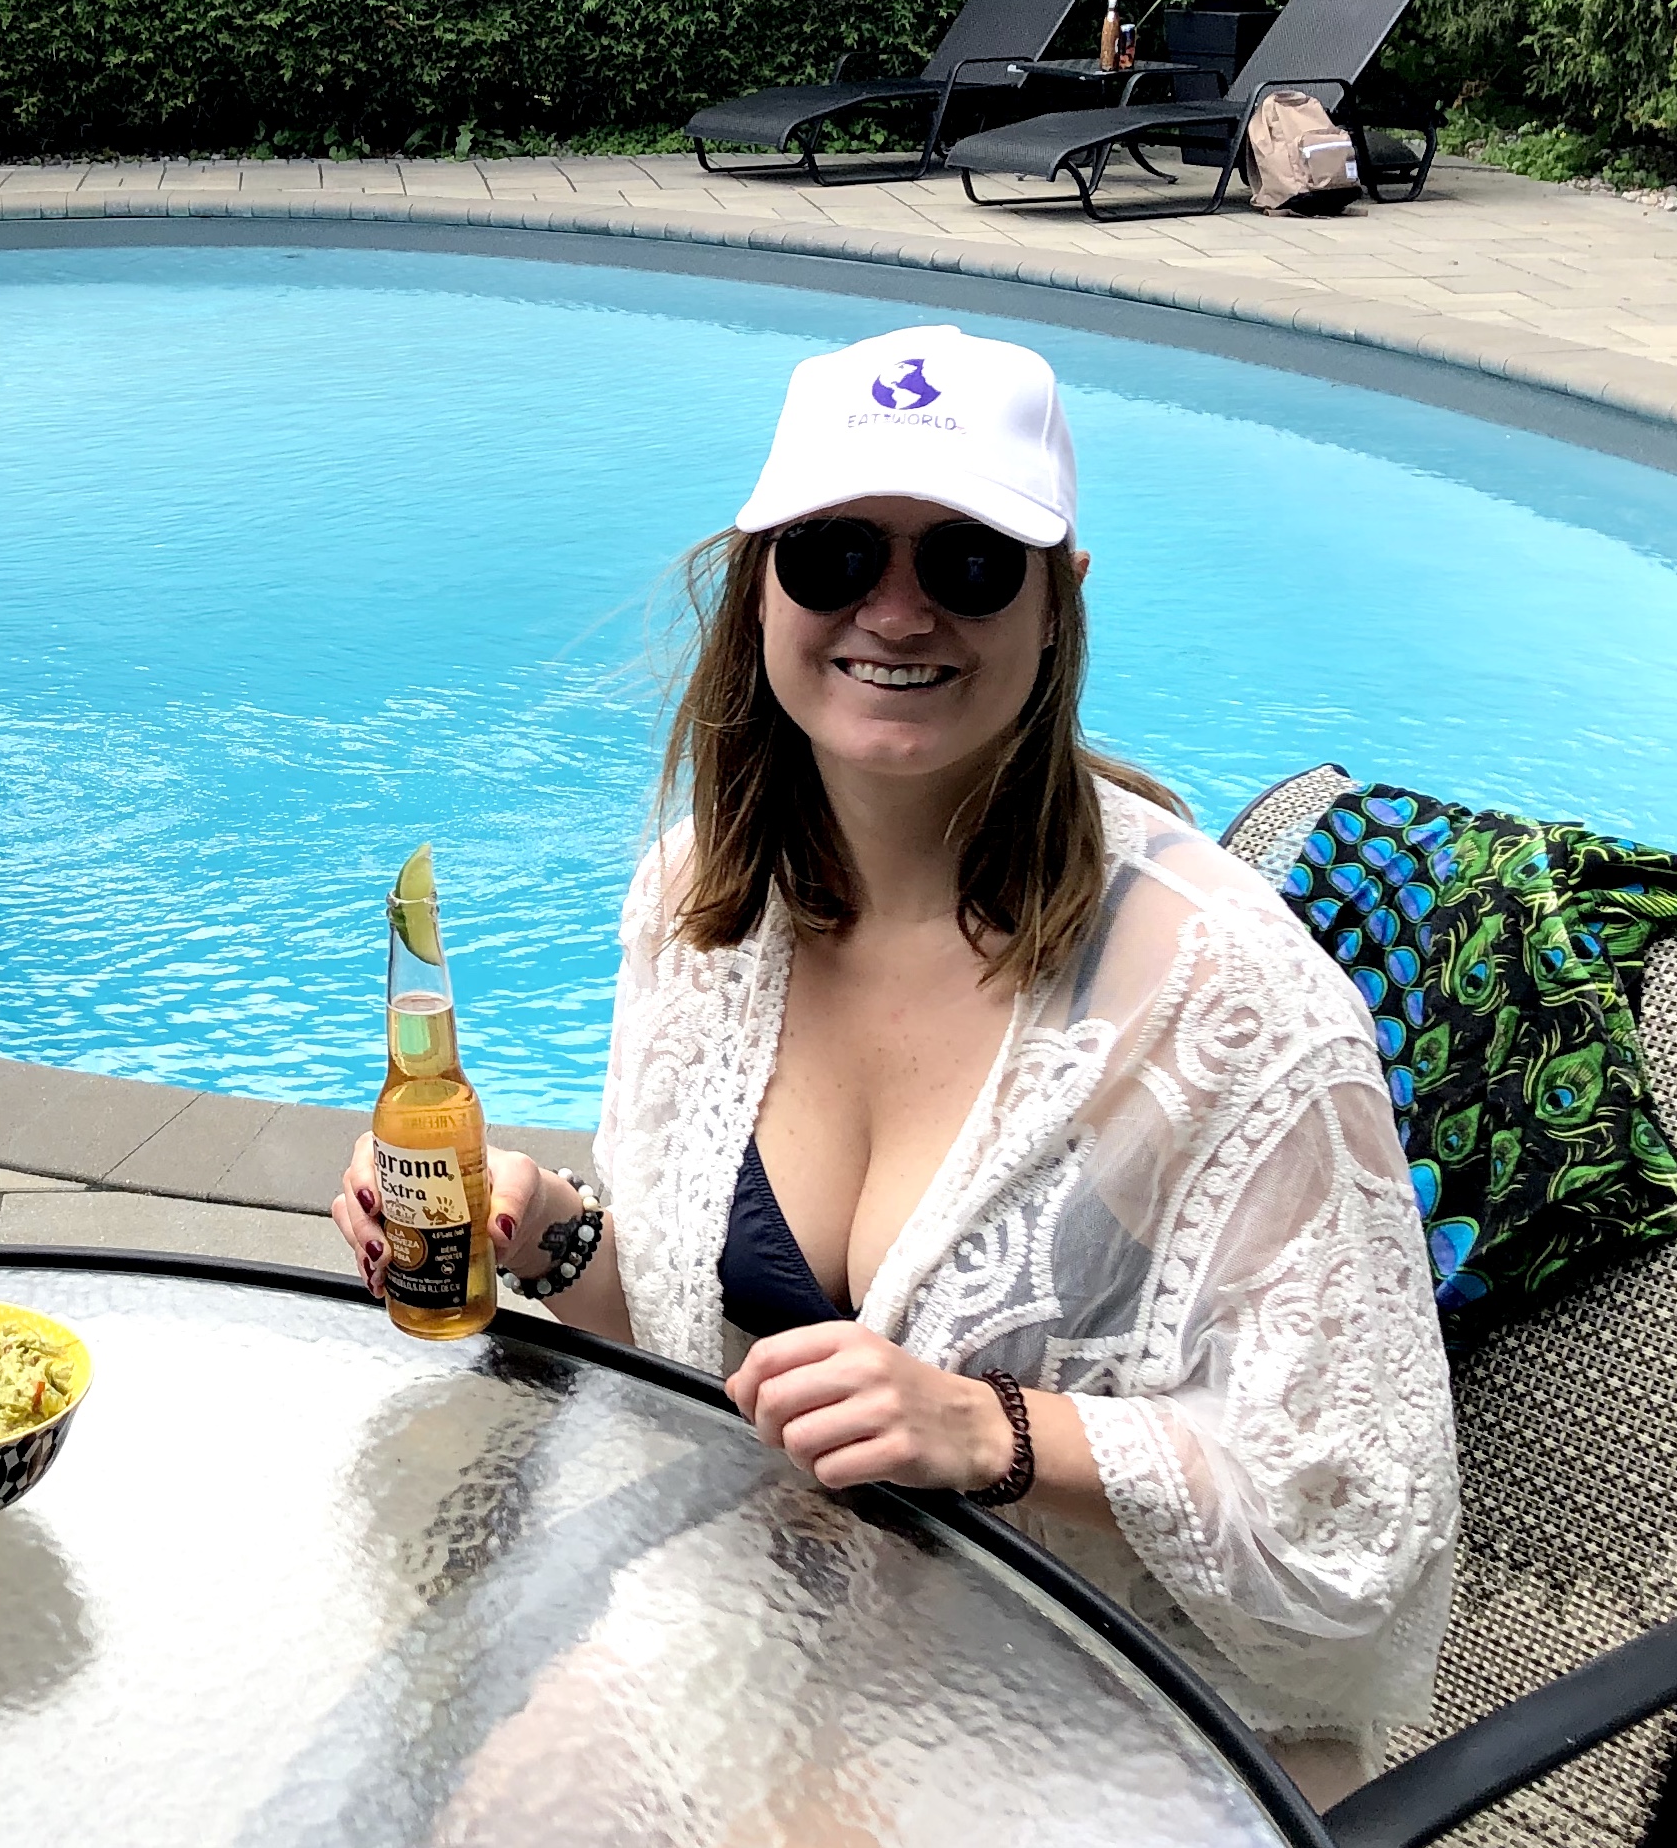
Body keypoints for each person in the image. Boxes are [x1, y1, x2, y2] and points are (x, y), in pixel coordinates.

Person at [333, 323, 1458, 1794]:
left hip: (1105, 1704)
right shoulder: (703, 906)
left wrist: (989, 1429)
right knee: (421, 1775)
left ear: (1057, 602)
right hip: (775, 1625)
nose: (896, 610)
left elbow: (1353, 1523)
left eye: (969, 562)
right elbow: (706, 1360)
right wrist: (542, 1231)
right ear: (759, 585)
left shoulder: (1224, 1004)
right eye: (835, 553)